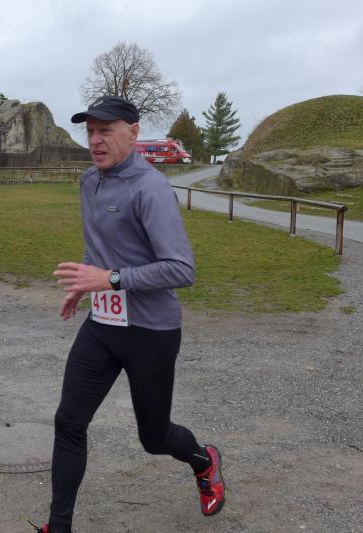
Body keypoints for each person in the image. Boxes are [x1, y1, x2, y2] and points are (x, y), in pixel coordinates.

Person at [31, 96, 225, 533]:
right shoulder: (89, 181)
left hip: (150, 331)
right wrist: (84, 284)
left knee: (154, 438)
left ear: (133, 133)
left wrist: (110, 279)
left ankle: (204, 460)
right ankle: (58, 526)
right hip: (103, 325)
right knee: (69, 421)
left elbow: (182, 270)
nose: (95, 141)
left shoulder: (150, 188)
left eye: (105, 131)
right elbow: (100, 248)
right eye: (90, 132)